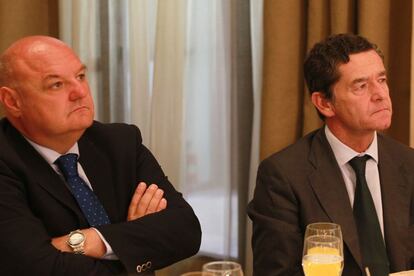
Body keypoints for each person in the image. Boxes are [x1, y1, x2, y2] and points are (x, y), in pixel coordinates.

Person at [0, 36, 201, 275]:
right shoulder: (6, 160)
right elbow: (38, 269)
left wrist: (86, 241)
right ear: (13, 102)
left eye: (81, 76)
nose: (79, 92)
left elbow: (185, 230)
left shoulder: (119, 142)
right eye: (56, 84)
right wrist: (132, 241)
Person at [248, 33, 414, 276]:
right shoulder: (283, 175)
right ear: (324, 103)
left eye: (382, 80)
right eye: (361, 86)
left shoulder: (408, 164)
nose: (380, 94)